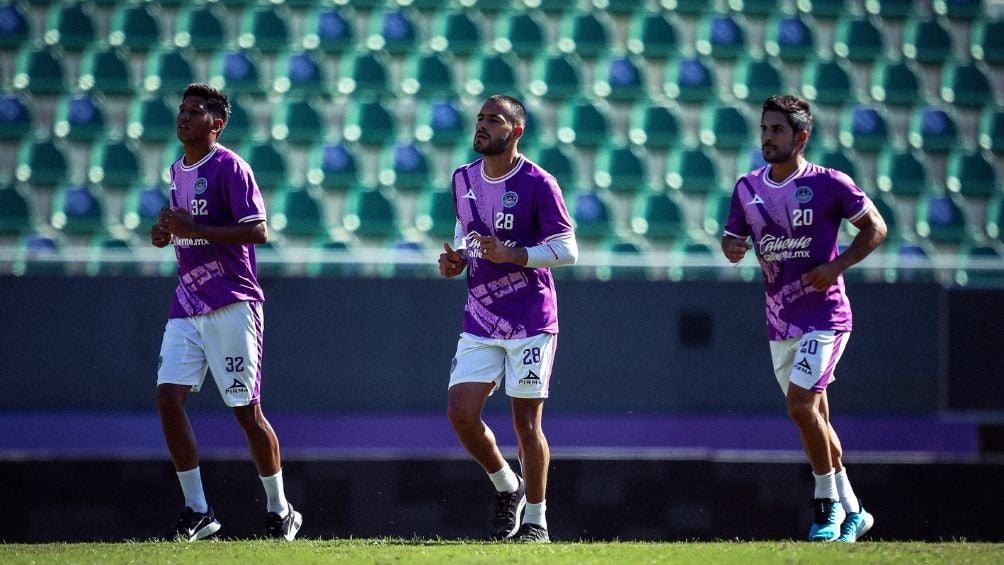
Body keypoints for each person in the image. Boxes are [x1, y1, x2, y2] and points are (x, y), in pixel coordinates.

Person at [721, 95, 887, 543]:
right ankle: (855, 510)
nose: (768, 138)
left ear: (802, 137)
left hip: (825, 316)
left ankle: (825, 507)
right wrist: (731, 248)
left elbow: (876, 227)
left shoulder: (830, 183)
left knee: (799, 406)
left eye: (777, 130)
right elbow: (732, 237)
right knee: (815, 417)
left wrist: (836, 267)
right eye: (764, 129)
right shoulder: (747, 187)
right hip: (780, 319)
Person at [150, 83, 302, 542]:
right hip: (187, 301)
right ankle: (198, 509)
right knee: (167, 398)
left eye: (195, 111)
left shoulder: (231, 167)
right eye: (182, 109)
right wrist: (168, 234)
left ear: (216, 124)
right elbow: (186, 230)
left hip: (232, 301)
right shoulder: (177, 170)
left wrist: (193, 227)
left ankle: (280, 509)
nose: (184, 117)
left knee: (246, 411)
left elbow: (259, 231)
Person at [438, 95, 578, 543]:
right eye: (480, 118)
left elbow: (568, 249)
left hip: (531, 318)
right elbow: (466, 234)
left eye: (494, 119)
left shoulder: (539, 182)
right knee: (461, 413)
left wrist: (517, 254)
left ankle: (536, 521)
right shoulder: (462, 178)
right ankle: (507, 486)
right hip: (481, 314)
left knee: (526, 423)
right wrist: (457, 260)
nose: (482, 125)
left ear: (516, 131)